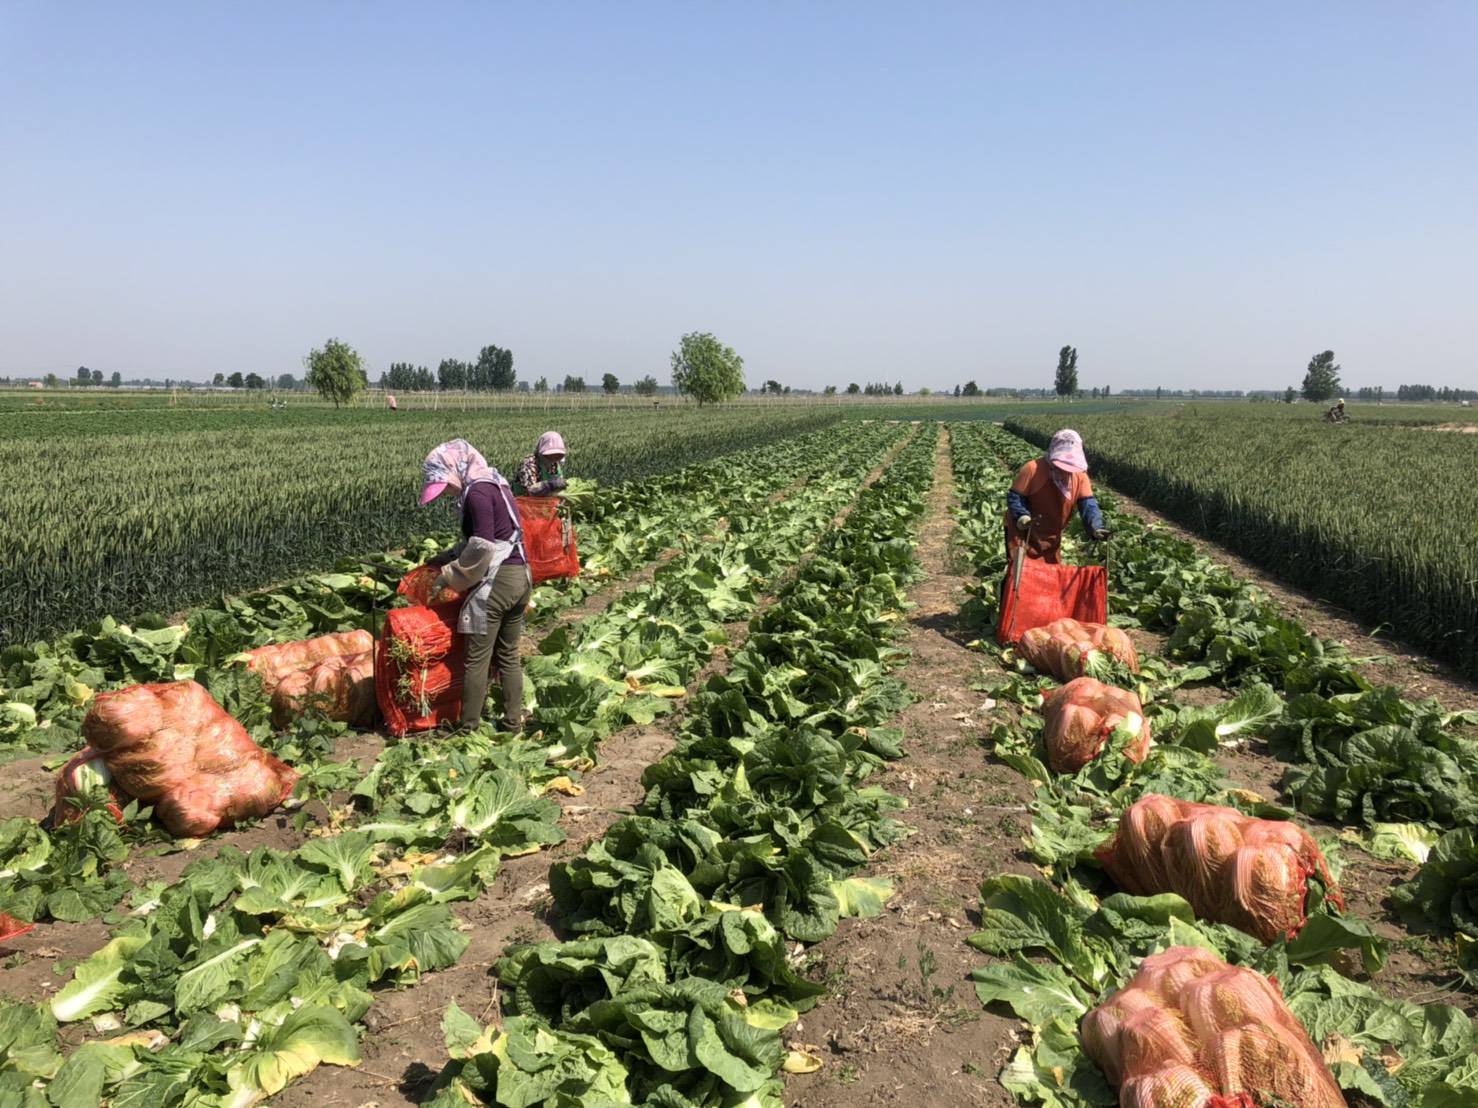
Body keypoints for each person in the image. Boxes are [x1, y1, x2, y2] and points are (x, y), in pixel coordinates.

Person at [419, 439, 531, 733]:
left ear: (456, 467)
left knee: (477, 658)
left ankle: (467, 727)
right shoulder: (496, 483)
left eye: (446, 484)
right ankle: (512, 722)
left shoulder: (477, 493)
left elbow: (482, 546)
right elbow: (496, 536)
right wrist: (448, 555)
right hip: (520, 576)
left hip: (498, 582)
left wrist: (450, 574)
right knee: (508, 653)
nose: (448, 492)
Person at [1003, 428, 1108, 564]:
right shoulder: (1032, 469)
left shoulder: (1080, 477)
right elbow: (1015, 497)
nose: (1065, 472)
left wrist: (1096, 527)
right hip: (1022, 531)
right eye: (1061, 467)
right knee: (1020, 572)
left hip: (1051, 534)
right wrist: (1022, 516)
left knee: (1050, 572)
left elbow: (1088, 505)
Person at [513, 431, 568, 496]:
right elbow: (530, 490)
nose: (555, 457)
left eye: (558, 455)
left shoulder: (554, 464)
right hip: (522, 500)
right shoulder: (530, 463)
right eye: (551, 454)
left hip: (544, 499)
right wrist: (550, 485)